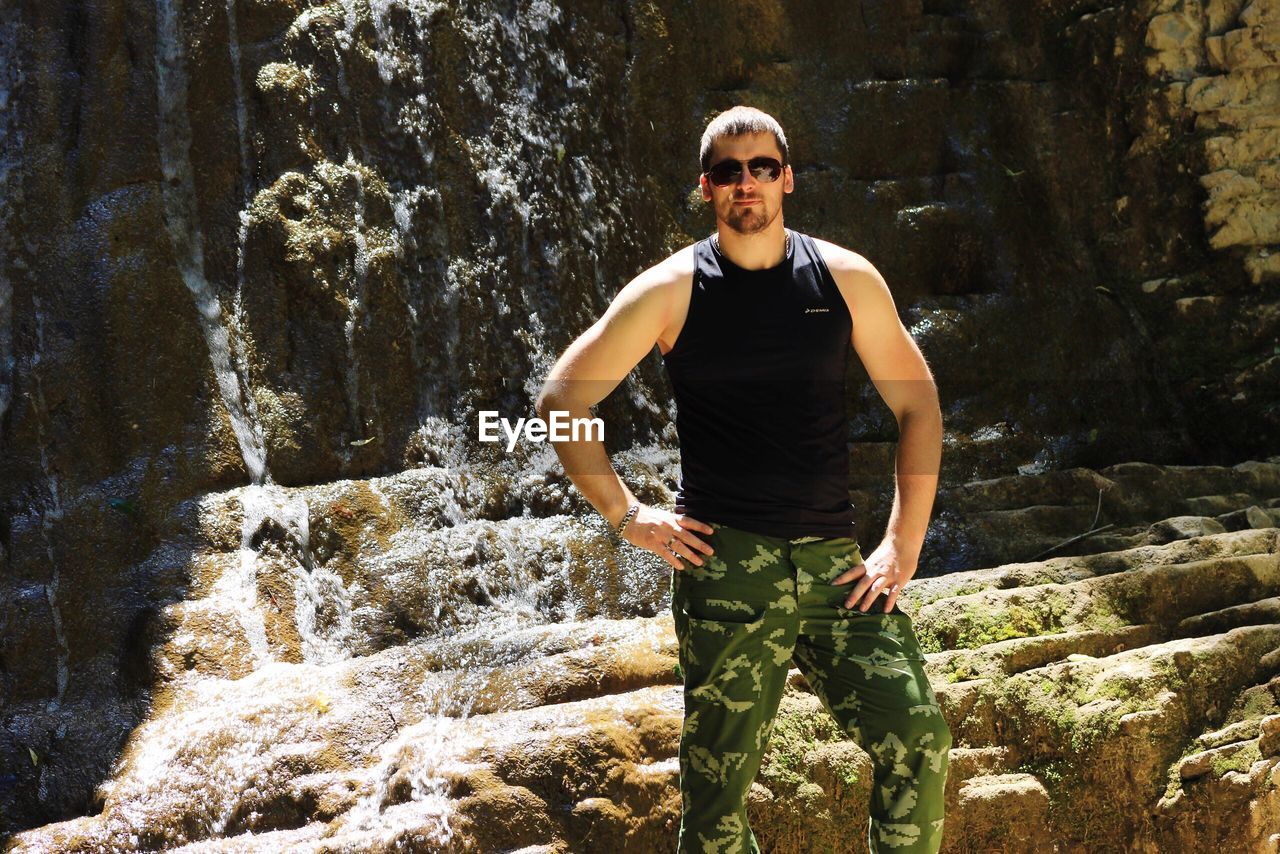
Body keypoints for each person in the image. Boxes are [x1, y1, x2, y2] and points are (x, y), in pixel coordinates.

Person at [535, 105, 950, 853]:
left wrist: (902, 543)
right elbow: (561, 399)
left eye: (762, 167)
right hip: (725, 572)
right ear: (707, 188)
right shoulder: (670, 291)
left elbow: (918, 403)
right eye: (729, 172)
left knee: (919, 740)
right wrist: (629, 516)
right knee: (717, 811)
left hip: (837, 570)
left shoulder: (845, 278)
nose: (747, 183)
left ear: (787, 178)